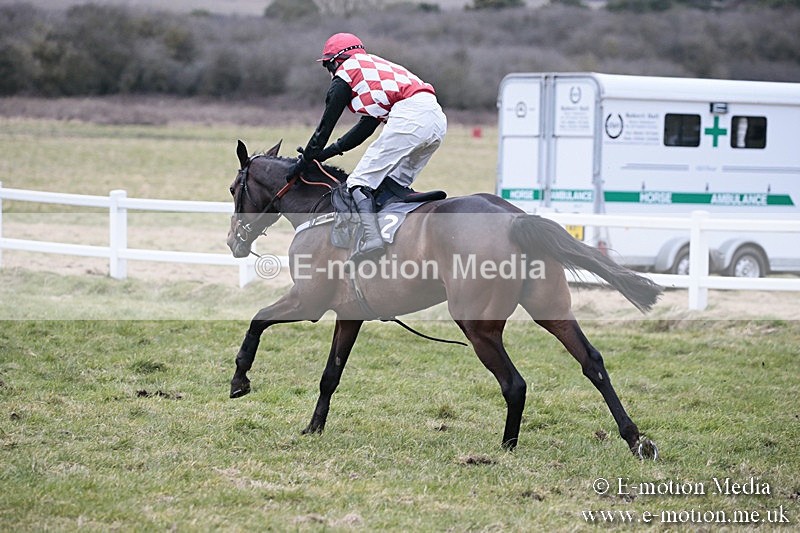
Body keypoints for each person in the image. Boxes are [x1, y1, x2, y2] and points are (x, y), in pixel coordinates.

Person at [295, 32, 447, 262]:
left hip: (411, 117)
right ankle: (400, 235)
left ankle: (372, 239)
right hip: (436, 119)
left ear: (335, 61)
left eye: (328, 66)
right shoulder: (373, 71)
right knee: (392, 183)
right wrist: (325, 154)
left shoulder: (345, 73)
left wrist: (306, 159)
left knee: (358, 182)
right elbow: (363, 129)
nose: (330, 72)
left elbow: (325, 126)